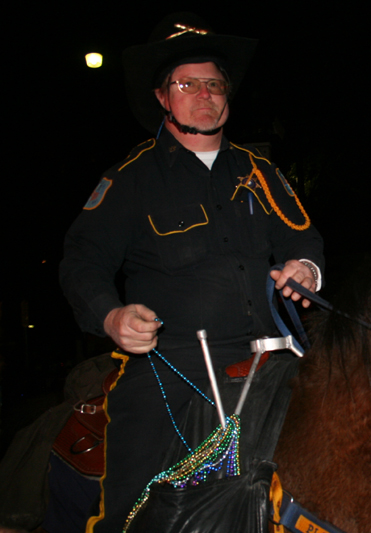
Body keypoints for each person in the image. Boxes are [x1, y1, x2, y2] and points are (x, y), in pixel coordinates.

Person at [59, 12, 324, 533]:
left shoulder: (259, 171)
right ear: (163, 97)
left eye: (214, 84)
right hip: (172, 367)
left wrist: (307, 268)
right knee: (132, 495)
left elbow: (303, 234)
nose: (204, 94)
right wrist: (111, 318)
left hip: (277, 356)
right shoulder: (130, 179)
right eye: (187, 84)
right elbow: (82, 259)